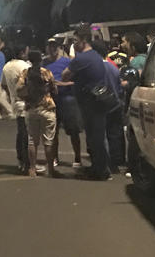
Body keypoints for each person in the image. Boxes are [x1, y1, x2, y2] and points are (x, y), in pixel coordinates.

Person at [62, 37, 113, 180]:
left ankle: (101, 170)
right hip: (97, 100)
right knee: (97, 136)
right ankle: (98, 167)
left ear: (82, 41)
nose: (73, 45)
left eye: (75, 42)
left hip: (91, 102)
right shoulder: (95, 56)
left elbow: (65, 75)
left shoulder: (82, 59)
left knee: (95, 137)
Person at [16, 49, 59, 178]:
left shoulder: (25, 73)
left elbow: (19, 90)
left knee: (32, 141)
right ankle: (50, 169)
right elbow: (54, 90)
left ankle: (32, 169)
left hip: (31, 109)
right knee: (48, 141)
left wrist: (28, 96)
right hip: (47, 108)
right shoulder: (46, 73)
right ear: (40, 60)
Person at [45, 40, 83, 169]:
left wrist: (62, 84)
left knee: (73, 130)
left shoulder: (67, 62)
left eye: (54, 46)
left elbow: (77, 81)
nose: (52, 49)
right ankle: (54, 157)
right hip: (51, 100)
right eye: (50, 46)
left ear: (59, 48)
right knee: (52, 131)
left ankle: (77, 158)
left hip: (68, 99)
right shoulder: (45, 63)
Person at [2, 46, 32, 174]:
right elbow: (29, 83)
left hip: (15, 102)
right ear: (21, 52)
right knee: (26, 135)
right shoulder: (24, 66)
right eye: (26, 51)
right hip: (25, 102)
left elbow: (3, 84)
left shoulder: (6, 66)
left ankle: (21, 159)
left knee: (21, 133)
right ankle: (27, 162)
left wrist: (11, 95)